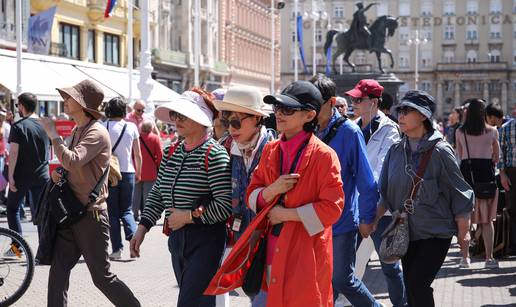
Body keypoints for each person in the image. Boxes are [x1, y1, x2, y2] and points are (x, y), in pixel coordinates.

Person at [205, 81, 344, 307]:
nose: (279, 114)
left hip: (305, 252)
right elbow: (252, 194)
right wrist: (272, 190)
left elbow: (333, 209)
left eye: (287, 110)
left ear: (309, 115)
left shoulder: (324, 155)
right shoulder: (272, 149)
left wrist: (286, 215)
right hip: (270, 247)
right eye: (277, 108)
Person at [40, 79, 140, 307]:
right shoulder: (79, 130)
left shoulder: (96, 132)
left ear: (83, 104)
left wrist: (53, 134)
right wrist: (60, 176)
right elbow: (71, 166)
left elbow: (72, 160)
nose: (65, 100)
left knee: (102, 278)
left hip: (91, 216)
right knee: (58, 272)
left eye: (70, 97)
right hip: (73, 212)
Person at [130, 89, 232, 307]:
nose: (177, 120)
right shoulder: (171, 151)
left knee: (189, 303)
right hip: (177, 240)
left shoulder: (214, 154)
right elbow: (158, 192)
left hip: (206, 240)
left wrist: (188, 217)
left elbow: (224, 206)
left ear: (201, 118)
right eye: (176, 115)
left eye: (183, 115)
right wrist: (142, 228)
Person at [376, 90, 473, 307]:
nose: (400, 115)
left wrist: (464, 232)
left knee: (417, 284)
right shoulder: (395, 151)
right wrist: (370, 221)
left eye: (407, 110)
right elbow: (384, 192)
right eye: (400, 110)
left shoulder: (441, 151)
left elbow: (461, 193)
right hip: (406, 232)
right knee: (411, 287)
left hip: (436, 233)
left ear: (423, 116)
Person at [310, 75, 386, 307]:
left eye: (316, 104)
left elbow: (367, 181)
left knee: (343, 279)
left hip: (341, 222)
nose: (310, 110)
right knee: (319, 282)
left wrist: (366, 218)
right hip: (311, 220)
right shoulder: (306, 130)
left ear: (331, 102)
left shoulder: (349, 132)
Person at [345, 79, 407, 307]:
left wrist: (372, 209)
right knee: (343, 267)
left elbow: (382, 171)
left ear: (373, 102)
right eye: (353, 99)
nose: (354, 103)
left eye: (358, 99)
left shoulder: (389, 129)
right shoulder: (352, 126)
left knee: (390, 266)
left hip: (382, 209)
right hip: (353, 206)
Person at [213, 85, 275, 306]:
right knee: (252, 292)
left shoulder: (274, 148)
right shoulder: (228, 148)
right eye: (227, 121)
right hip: (243, 240)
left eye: (237, 121)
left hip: (271, 242)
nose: (231, 128)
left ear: (257, 118)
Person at [456, 98, 501, 268]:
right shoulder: (492, 132)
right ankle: (489, 259)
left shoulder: (460, 132)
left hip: (467, 176)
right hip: (486, 177)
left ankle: (465, 258)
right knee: (487, 221)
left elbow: (459, 154)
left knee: (465, 219)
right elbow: (496, 157)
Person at [5, 92, 49, 246]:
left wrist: (10, 177)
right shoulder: (45, 124)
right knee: (40, 214)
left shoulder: (18, 126)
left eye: (18, 105)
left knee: (12, 209)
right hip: (42, 175)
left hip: (22, 176)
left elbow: (13, 154)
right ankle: (44, 251)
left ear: (22, 106)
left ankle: (17, 248)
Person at [102, 97, 142, 260]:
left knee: (112, 213)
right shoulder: (131, 127)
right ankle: (134, 244)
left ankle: (117, 249)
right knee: (127, 210)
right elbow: (137, 154)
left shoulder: (102, 126)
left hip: (110, 173)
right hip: (128, 172)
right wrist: (139, 172)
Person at [133, 119, 162, 221]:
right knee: (148, 195)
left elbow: (133, 154)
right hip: (150, 171)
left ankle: (134, 215)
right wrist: (159, 168)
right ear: (151, 128)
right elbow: (160, 155)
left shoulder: (136, 137)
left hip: (137, 169)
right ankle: (146, 216)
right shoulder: (155, 138)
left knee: (135, 194)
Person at [499, 117, 516, 255]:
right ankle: (513, 244)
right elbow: (500, 153)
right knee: (512, 208)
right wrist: (502, 174)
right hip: (512, 172)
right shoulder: (506, 127)